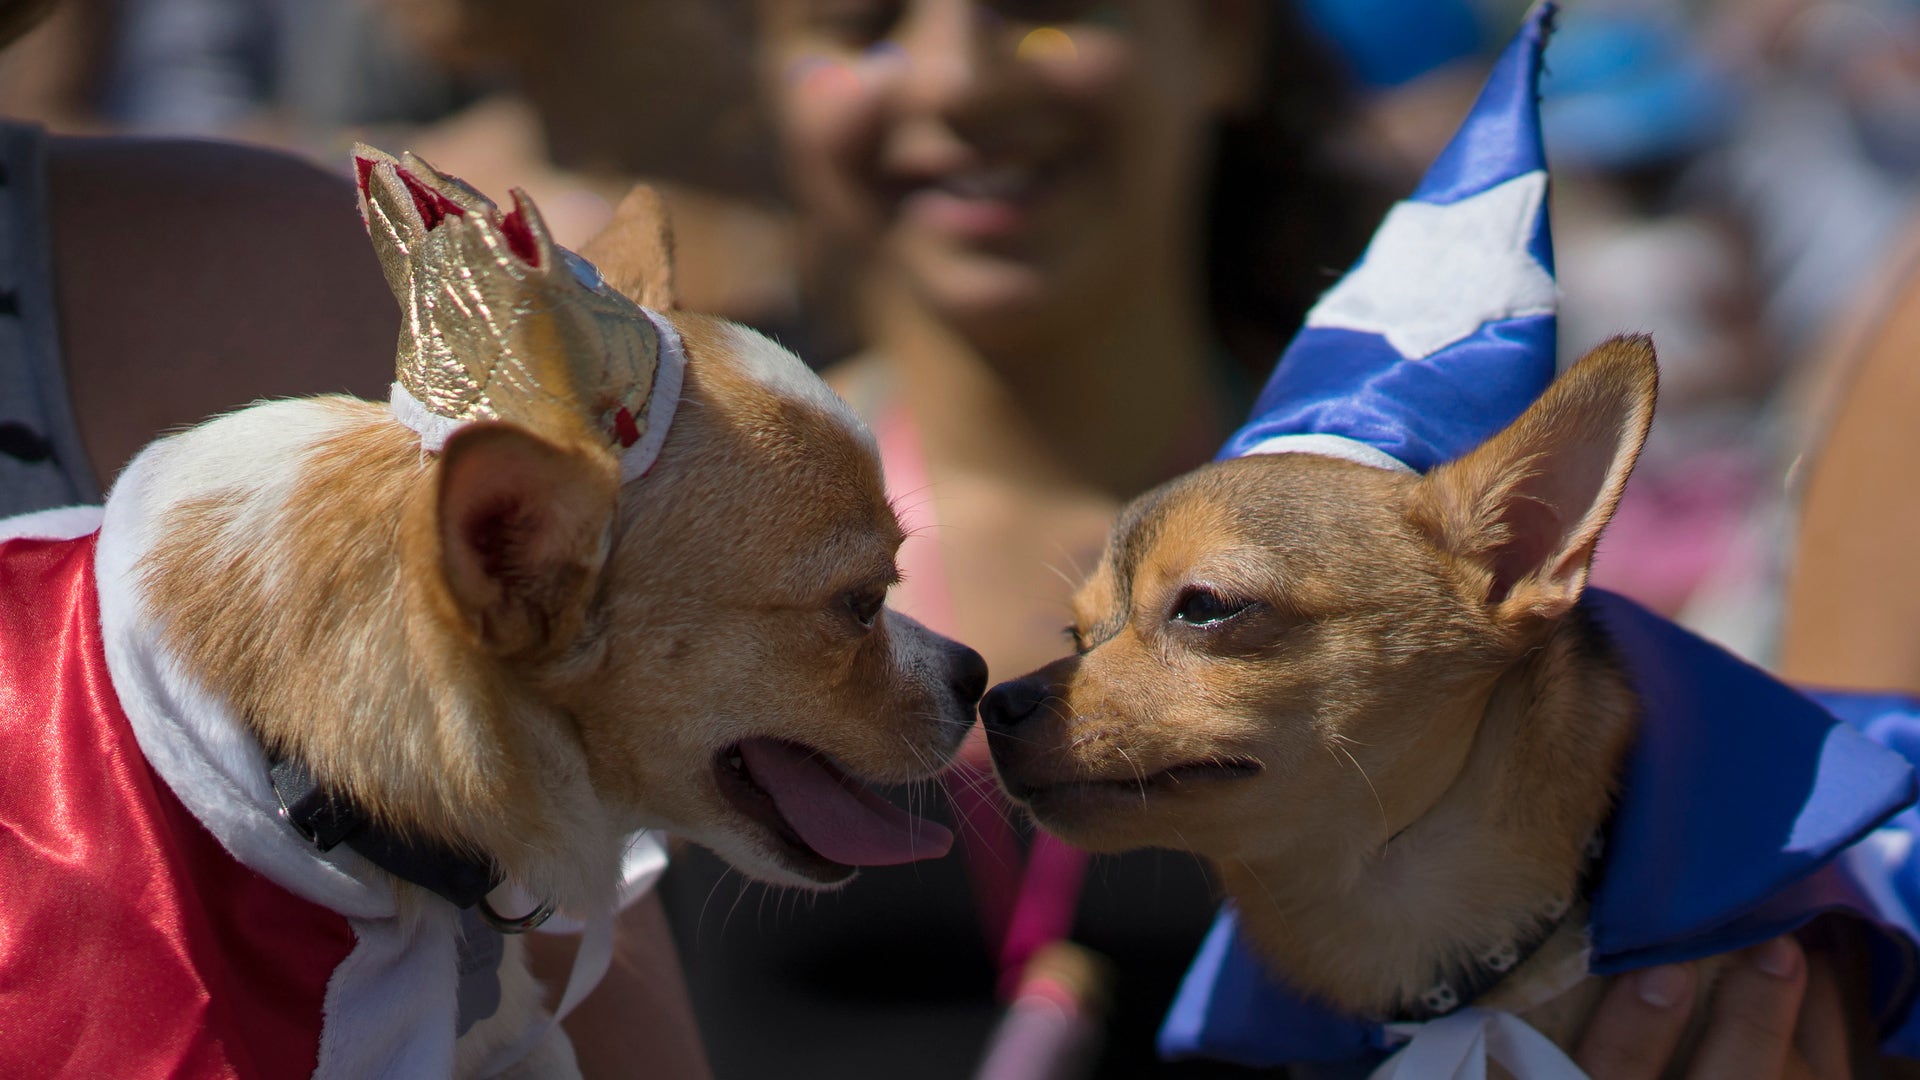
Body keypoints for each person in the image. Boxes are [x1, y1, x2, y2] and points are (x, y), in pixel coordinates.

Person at [659, 2, 1864, 1076]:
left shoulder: (1446, 537)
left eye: (1045, 6)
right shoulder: (648, 534)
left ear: (1227, 33)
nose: (954, 76)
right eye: (861, 20)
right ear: (755, 60)